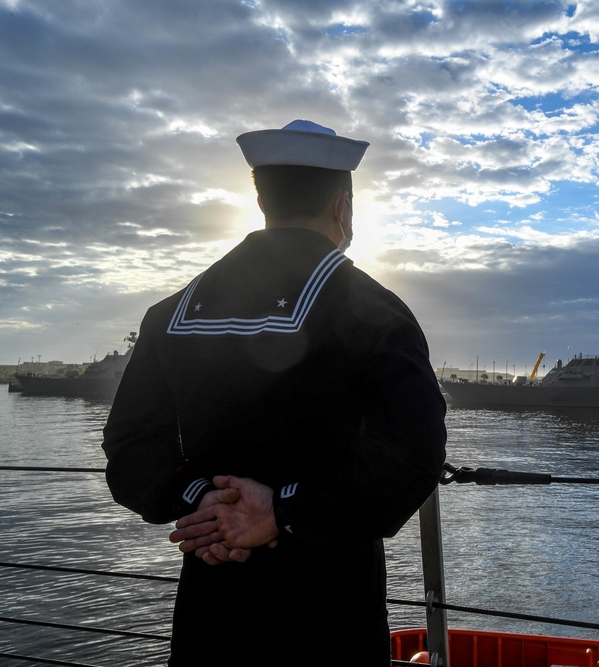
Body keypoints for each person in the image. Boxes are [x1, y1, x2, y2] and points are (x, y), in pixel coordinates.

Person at [102, 120, 447, 665]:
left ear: (261, 198)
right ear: (342, 207)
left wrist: (203, 499)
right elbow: (413, 457)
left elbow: (129, 448)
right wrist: (281, 511)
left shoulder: (169, 313)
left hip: (210, 614)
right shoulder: (375, 311)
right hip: (329, 613)